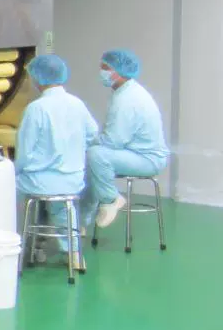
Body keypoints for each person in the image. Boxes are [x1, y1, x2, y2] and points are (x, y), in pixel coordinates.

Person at [15, 53, 99, 270]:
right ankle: (73, 253)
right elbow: (93, 134)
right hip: (73, 181)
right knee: (62, 208)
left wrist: (12, 171)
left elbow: (24, 152)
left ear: (38, 78)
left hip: (40, 183)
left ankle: (29, 246)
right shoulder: (77, 104)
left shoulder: (37, 108)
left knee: (10, 188)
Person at [88, 49, 170, 228]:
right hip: (135, 153)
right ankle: (82, 221)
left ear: (119, 71)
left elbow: (114, 141)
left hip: (147, 159)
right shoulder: (125, 92)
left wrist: (90, 141)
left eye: (106, 68)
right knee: (92, 162)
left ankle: (111, 199)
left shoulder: (127, 99)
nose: (102, 72)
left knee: (95, 155)